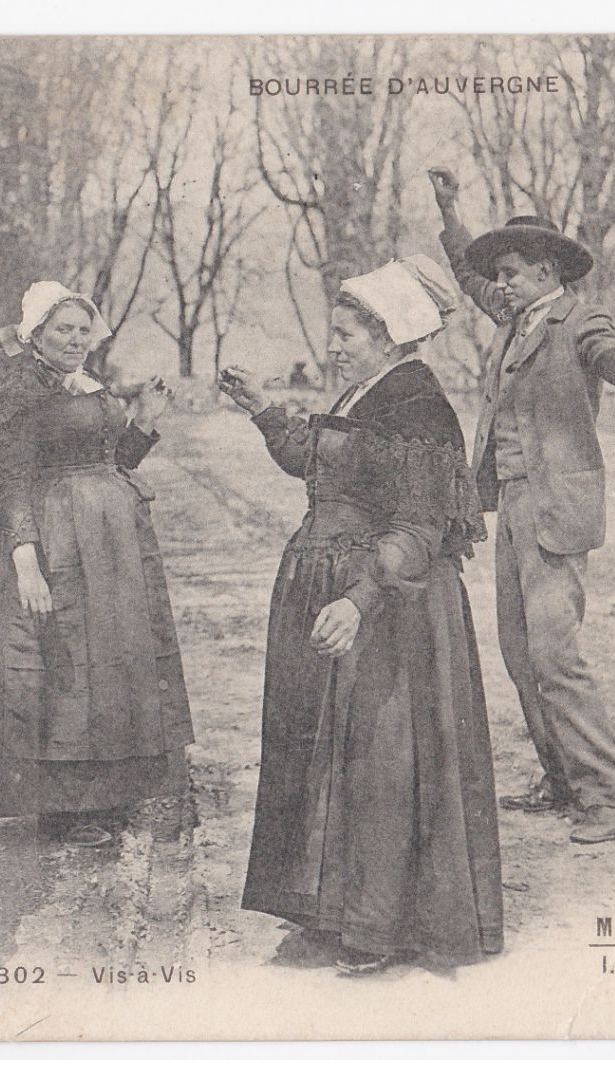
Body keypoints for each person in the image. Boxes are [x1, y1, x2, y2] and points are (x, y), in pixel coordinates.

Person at [221, 256, 503, 975]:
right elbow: (317, 463)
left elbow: (419, 525)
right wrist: (260, 406)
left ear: (387, 333)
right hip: (337, 594)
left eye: (345, 331)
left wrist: (358, 598)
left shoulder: (417, 406)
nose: (333, 343)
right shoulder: (362, 391)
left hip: (389, 609)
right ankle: (334, 912)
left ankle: (381, 928)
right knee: (326, 758)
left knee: (379, 762)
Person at [428, 168, 615, 844]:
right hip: (512, 510)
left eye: (514, 270)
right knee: (519, 655)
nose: (502, 282)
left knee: (555, 656)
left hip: (557, 513)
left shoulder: (578, 320)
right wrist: (449, 209)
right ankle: (560, 780)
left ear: (547, 270)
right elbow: (469, 279)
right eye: (500, 272)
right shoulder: (513, 315)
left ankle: (608, 799)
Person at [0, 282, 191, 847]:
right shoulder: (22, 391)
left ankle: (109, 794)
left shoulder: (88, 384)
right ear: (36, 336)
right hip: (58, 540)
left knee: (112, 664)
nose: (75, 340)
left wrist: (147, 419)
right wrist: (26, 558)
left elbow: (113, 461)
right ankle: (64, 808)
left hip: (111, 545)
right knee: (66, 665)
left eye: (81, 329)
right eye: (62, 330)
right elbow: (11, 481)